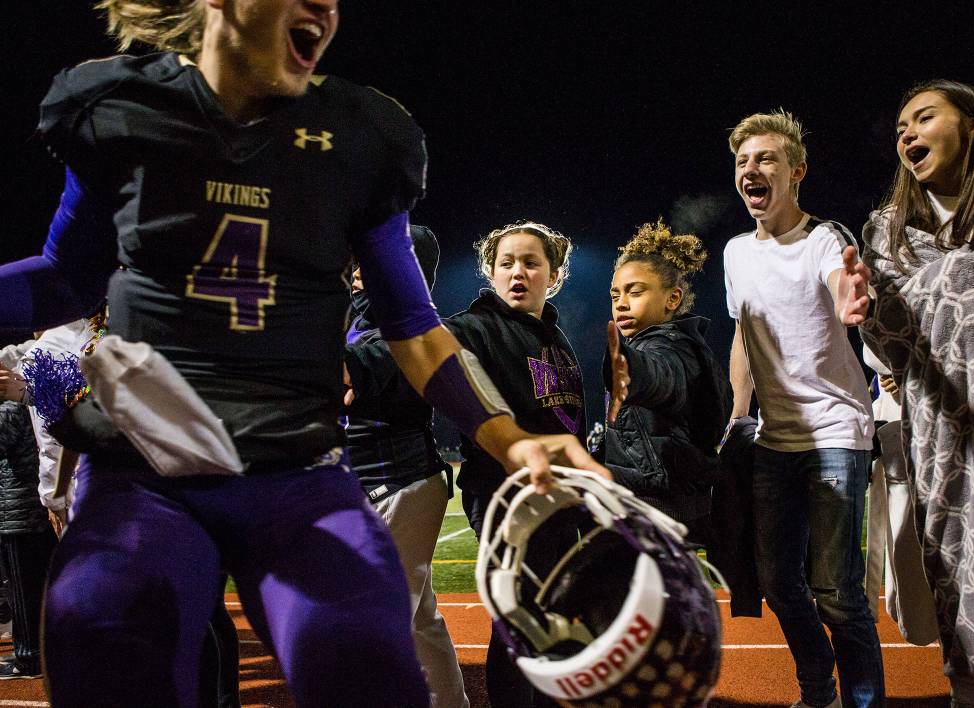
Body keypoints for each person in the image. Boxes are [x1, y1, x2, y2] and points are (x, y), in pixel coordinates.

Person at [0, 2, 605, 705]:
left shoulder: (358, 135)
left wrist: (508, 437)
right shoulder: (124, 107)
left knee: (365, 655)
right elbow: (68, 274)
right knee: (104, 631)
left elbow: (411, 324)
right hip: (145, 468)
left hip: (294, 471)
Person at [857, 79, 974, 707]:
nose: (906, 135)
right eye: (900, 127)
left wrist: (935, 284)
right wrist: (868, 311)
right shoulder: (889, 232)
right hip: (943, 436)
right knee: (957, 568)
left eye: (923, 118)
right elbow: (895, 335)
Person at [724, 110, 884, 708]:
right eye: (743, 161)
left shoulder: (825, 239)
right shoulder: (737, 252)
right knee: (777, 584)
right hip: (773, 440)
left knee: (836, 591)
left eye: (766, 159)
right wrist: (740, 416)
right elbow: (744, 338)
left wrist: (852, 299)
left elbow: (842, 286)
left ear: (797, 171)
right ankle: (819, 691)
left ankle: (866, 703)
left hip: (836, 432)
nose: (751, 170)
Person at [447, 221, 586, 708]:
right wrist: (359, 365)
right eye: (506, 263)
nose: (517, 272)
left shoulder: (556, 339)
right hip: (506, 497)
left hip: (559, 501)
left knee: (550, 620)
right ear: (490, 271)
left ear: (554, 275)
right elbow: (427, 349)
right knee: (519, 620)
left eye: (531, 263)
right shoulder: (478, 327)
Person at [344, 225, 469, 708]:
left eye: (370, 264)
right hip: (389, 482)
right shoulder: (365, 321)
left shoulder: (410, 331)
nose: (357, 273)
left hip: (396, 484)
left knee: (377, 629)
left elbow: (350, 371)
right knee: (419, 623)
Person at [603, 219, 730, 545]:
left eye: (635, 291)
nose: (621, 302)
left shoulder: (668, 347)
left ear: (672, 299)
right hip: (664, 504)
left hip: (660, 510)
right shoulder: (669, 342)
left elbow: (662, 378)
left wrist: (632, 370)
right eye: (615, 294)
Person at [0, 399, 56, 680]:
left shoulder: (8, 410)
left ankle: (29, 657)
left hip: (18, 515)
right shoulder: (22, 406)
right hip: (26, 511)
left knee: (23, 593)